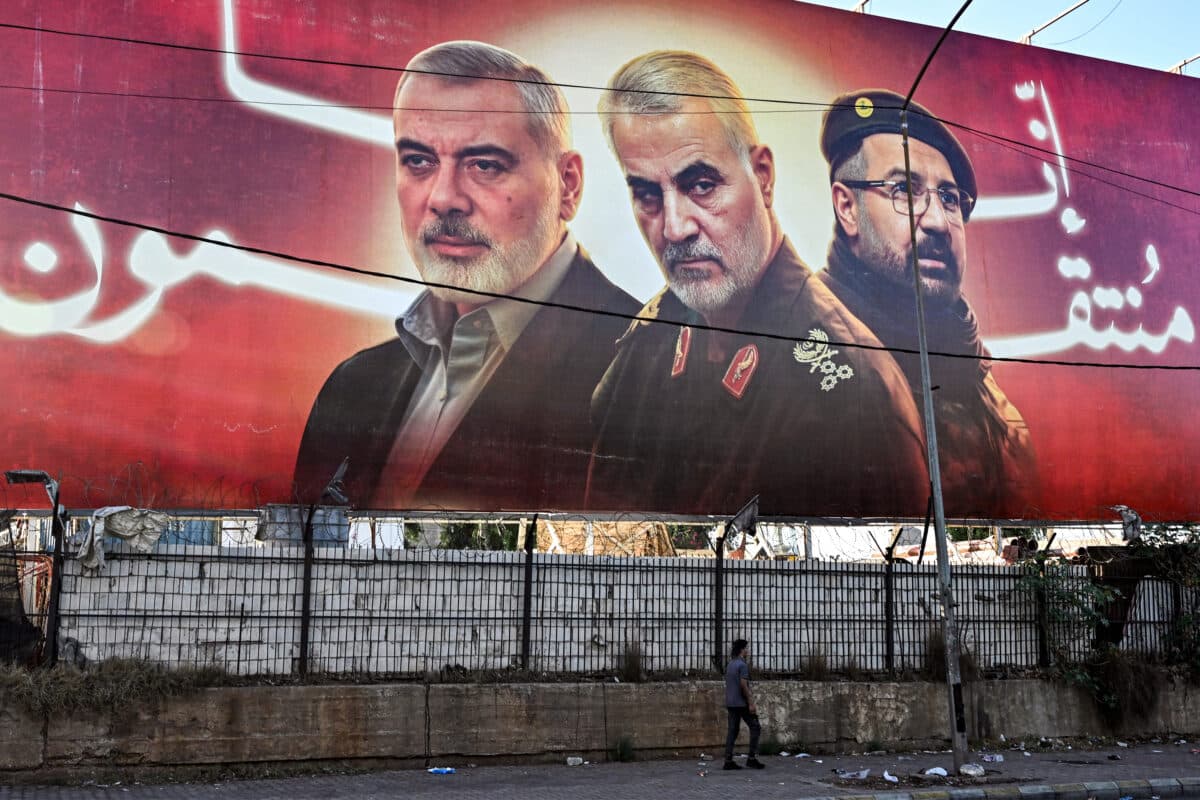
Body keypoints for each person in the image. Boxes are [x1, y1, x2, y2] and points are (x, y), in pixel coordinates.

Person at [294, 42, 639, 511]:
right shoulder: (352, 388)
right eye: (418, 161)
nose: (443, 198)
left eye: (485, 165)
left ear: (568, 185)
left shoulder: (646, 373)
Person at [587, 51, 929, 517]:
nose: (674, 228)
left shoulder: (855, 397)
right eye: (647, 195)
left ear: (763, 177)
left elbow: (873, 580)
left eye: (702, 185)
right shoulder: (644, 345)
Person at [818, 89, 1035, 517]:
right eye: (904, 189)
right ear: (847, 207)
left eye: (950, 199)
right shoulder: (806, 353)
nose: (937, 221)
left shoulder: (987, 394)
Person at [723, 639, 764, 770]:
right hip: (741, 703)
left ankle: (728, 761)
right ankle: (751, 759)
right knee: (755, 727)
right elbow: (743, 685)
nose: (748, 651)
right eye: (746, 648)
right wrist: (750, 702)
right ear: (742, 650)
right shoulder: (742, 665)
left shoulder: (730, 664)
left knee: (732, 732)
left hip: (731, 702)